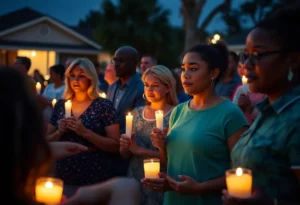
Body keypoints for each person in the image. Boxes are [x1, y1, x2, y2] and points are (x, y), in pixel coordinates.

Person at [142, 44, 248, 205]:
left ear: (214, 73)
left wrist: (200, 187)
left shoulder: (231, 114)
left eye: (193, 69)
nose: (185, 75)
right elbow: (171, 161)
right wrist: (162, 149)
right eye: (183, 69)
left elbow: (244, 173)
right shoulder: (178, 112)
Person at [222, 5, 300, 205]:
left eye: (257, 54)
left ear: (293, 60)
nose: (246, 64)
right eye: (245, 55)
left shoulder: (295, 118)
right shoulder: (267, 110)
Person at [46, 58, 121, 191]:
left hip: (94, 173)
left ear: (90, 78)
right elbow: (45, 142)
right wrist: (59, 132)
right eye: (72, 76)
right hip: (64, 172)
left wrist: (85, 132)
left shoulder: (103, 105)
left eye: (81, 76)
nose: (75, 80)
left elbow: (116, 145)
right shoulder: (61, 105)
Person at [119, 65, 178, 205]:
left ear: (168, 88)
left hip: (160, 181)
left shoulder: (176, 114)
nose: (149, 90)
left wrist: (139, 150)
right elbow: (125, 155)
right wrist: (124, 146)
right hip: (135, 178)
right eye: (146, 85)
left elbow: (172, 159)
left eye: (155, 85)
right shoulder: (136, 113)